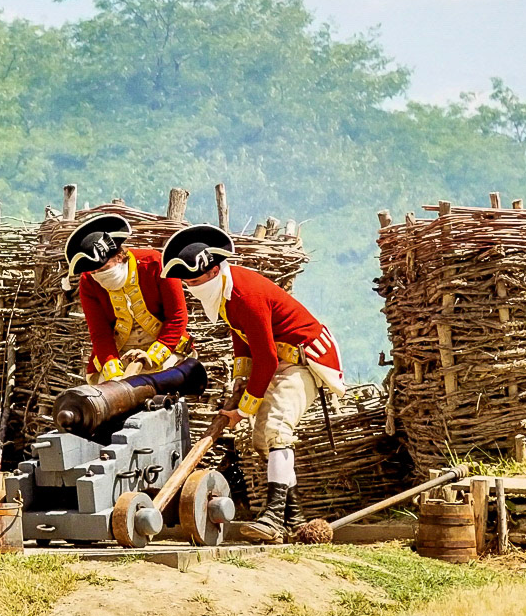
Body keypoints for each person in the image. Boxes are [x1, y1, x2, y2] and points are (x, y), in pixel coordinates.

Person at [160, 224, 345, 542]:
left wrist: (242, 410)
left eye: (195, 280)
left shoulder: (245, 294)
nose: (191, 287)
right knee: (263, 440)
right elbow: (242, 340)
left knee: (276, 431)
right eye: (187, 282)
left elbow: (268, 358)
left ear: (214, 270)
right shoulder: (227, 295)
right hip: (278, 362)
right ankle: (293, 517)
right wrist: (239, 382)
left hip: (303, 361)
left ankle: (273, 517)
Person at [64, 213, 192, 384]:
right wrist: (115, 375)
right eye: (93, 272)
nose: (98, 275)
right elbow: (100, 333)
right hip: (119, 353)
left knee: (160, 383)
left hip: (165, 346)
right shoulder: (88, 282)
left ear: (118, 256)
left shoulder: (155, 264)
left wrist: (151, 357)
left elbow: (177, 316)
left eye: (103, 268)